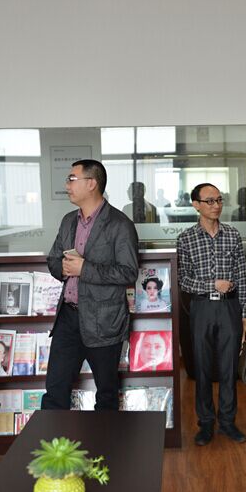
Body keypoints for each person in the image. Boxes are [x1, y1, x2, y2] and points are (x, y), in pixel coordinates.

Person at [42, 159, 139, 411]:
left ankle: (105, 439)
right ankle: (54, 438)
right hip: (68, 317)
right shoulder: (68, 221)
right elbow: (53, 259)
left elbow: (128, 272)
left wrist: (84, 269)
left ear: (91, 183)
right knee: (54, 390)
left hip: (103, 320)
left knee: (106, 394)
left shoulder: (119, 224)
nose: (67, 185)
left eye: (72, 179)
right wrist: (62, 268)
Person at [177, 182, 246, 446]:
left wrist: (244, 311)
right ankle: (206, 423)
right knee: (203, 367)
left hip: (230, 307)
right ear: (196, 205)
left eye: (219, 200)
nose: (216, 205)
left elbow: (242, 275)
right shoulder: (185, 238)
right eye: (209, 201)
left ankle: (228, 422)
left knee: (230, 368)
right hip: (202, 308)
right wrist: (212, 285)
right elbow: (183, 280)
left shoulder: (232, 235)